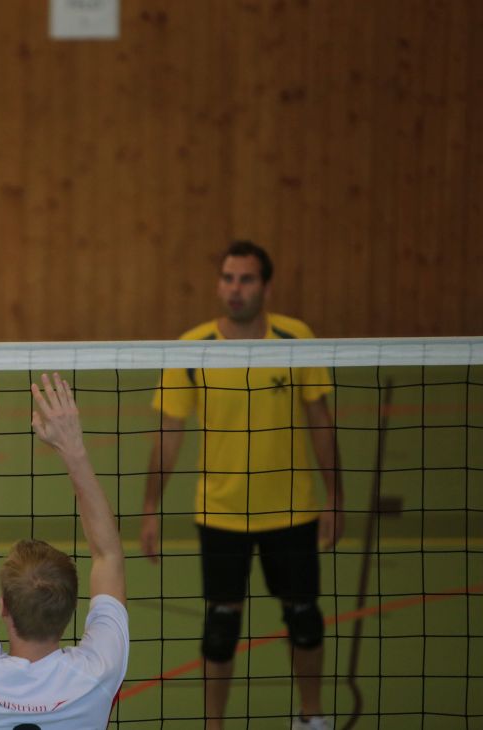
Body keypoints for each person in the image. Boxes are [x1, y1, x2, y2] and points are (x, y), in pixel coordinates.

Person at [139, 241, 343, 730]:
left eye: (246, 279)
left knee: (304, 618)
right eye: (228, 278)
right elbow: (169, 433)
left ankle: (311, 717)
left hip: (292, 510)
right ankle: (215, 725)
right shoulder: (192, 348)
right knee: (220, 627)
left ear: (266, 287)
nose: (235, 288)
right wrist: (149, 508)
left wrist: (336, 497)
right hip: (221, 513)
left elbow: (320, 421)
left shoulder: (296, 339)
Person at [0, 373, 129, 729]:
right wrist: (73, 448)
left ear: (3, 607)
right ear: (71, 607)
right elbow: (109, 556)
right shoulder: (97, 673)